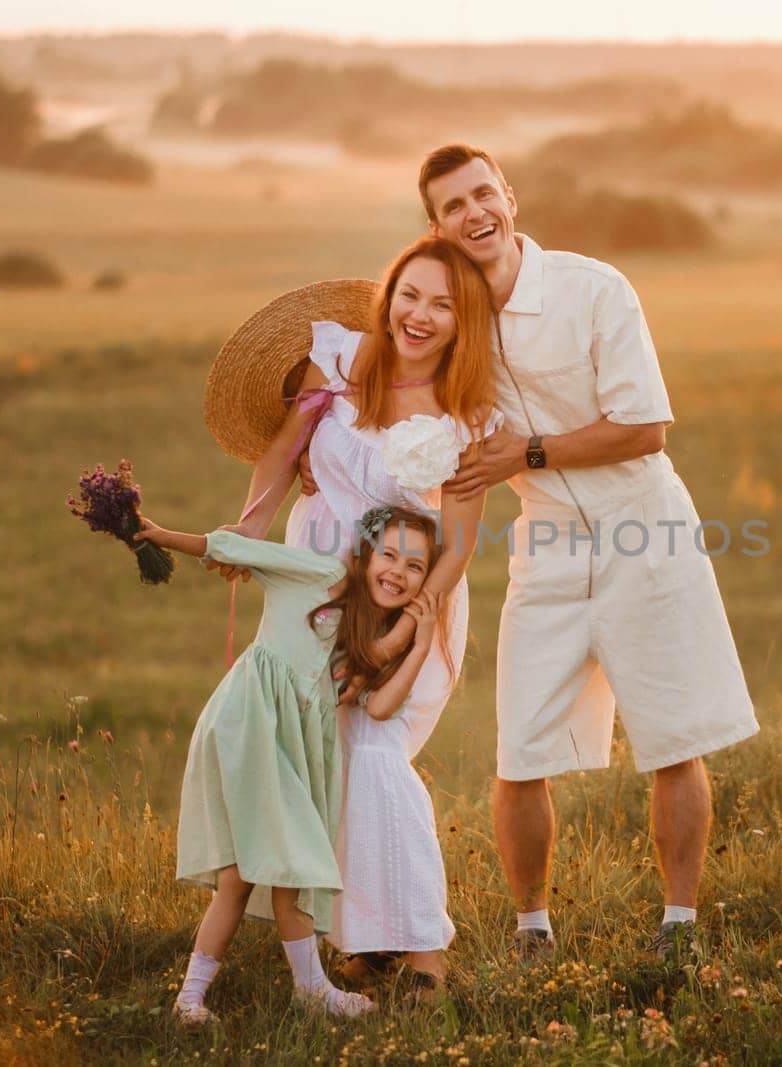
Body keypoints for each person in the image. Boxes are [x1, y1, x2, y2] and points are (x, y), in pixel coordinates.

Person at [419, 143, 760, 963]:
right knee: (519, 746)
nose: (474, 214)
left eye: (482, 195)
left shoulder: (594, 288)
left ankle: (679, 924)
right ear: (435, 228)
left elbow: (646, 426)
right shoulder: (451, 322)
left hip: (648, 529)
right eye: (452, 207)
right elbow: (435, 436)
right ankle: (532, 929)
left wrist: (526, 453)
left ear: (510, 197)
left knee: (675, 737)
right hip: (547, 546)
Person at [202, 237, 501, 990]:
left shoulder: (470, 413)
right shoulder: (334, 362)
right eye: (411, 295)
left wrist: (409, 626)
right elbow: (280, 457)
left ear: (463, 321)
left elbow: (458, 541)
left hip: (402, 591)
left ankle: (424, 946)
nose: (422, 315)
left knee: (376, 752)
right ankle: (364, 941)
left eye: (443, 304)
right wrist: (248, 530)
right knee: (328, 757)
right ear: (388, 295)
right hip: (314, 585)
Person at [136, 507, 446, 1021]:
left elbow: (383, 706)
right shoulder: (320, 574)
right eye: (389, 556)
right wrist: (160, 535)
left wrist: (425, 635)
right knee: (264, 868)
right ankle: (219, 995)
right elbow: (235, 549)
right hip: (250, 725)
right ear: (366, 556)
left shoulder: (367, 633)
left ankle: (214, 997)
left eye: (415, 567)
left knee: (265, 873)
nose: (398, 572)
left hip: (291, 745)